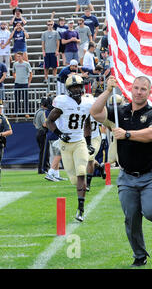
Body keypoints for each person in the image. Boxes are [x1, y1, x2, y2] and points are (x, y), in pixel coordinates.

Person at [90, 76, 152, 267]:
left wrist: (127, 134)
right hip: (126, 176)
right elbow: (94, 112)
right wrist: (108, 91)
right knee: (131, 218)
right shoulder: (119, 112)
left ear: (149, 92)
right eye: (136, 88)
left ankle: (147, 202)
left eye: (143, 89)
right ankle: (139, 256)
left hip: (151, 175)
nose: (139, 92)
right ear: (130, 89)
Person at [46, 74, 94, 222]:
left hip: (79, 141)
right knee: (74, 180)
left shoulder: (87, 103)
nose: (76, 89)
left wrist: (89, 143)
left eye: (78, 86)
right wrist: (60, 134)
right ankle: (80, 200)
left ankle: (81, 209)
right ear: (68, 89)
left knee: (81, 172)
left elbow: (86, 124)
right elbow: (49, 121)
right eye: (73, 87)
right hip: (66, 145)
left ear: (82, 87)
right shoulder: (63, 102)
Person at [12, 51, 32, 116]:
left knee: (25, 99)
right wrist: (16, 78)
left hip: (24, 83)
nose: (18, 57)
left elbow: (31, 73)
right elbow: (13, 72)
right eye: (17, 56)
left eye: (19, 56)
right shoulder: (15, 64)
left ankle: (26, 113)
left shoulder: (26, 64)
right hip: (17, 83)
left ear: (22, 56)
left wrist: (29, 82)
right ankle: (16, 113)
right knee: (16, 99)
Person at [33, 97, 49, 174]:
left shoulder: (37, 112)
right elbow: (45, 124)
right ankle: (42, 169)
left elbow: (34, 123)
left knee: (42, 151)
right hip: (43, 132)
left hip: (38, 132)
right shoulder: (43, 112)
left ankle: (42, 168)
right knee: (44, 152)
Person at [0, 102, 13, 187]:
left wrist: (1, 134)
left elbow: (10, 131)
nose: (1, 109)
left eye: (1, 108)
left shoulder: (3, 118)